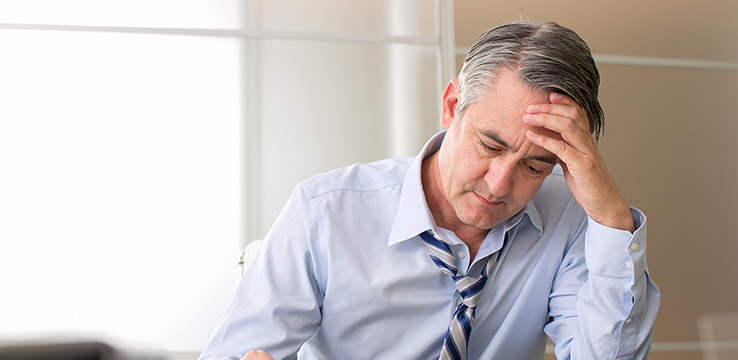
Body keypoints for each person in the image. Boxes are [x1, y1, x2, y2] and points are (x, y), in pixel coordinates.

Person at [199, 20, 660, 360]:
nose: (499, 185)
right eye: (490, 144)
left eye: (536, 165)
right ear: (452, 104)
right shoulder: (325, 213)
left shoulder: (572, 217)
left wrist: (612, 222)